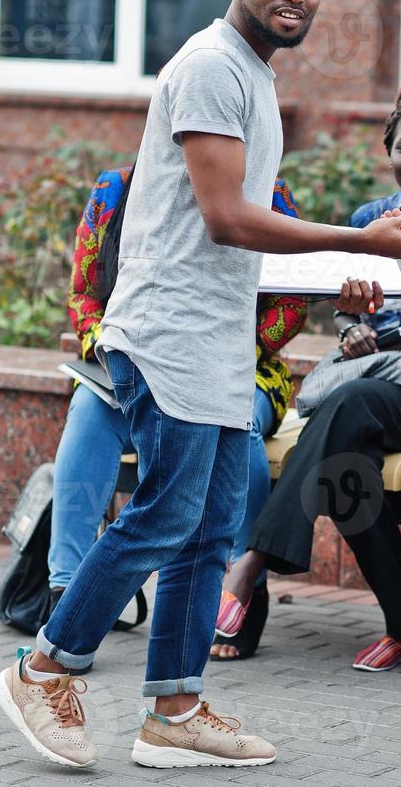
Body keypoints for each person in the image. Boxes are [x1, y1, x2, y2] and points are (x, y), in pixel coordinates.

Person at [0, 0, 401, 771]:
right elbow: (227, 220)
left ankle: (174, 708)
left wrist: (333, 277)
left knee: (213, 523)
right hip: (168, 339)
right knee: (164, 517)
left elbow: (233, 236)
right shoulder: (208, 68)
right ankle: (45, 666)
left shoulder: (253, 78)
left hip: (218, 345)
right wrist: (354, 242)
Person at [215, 75, 401, 673]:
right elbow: (344, 308)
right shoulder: (369, 221)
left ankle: (251, 564)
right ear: (389, 153)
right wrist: (351, 327)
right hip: (362, 393)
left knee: (355, 403)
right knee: (351, 481)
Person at [48, 167, 308, 648]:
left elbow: (291, 303)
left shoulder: (265, 194)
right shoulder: (115, 190)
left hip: (243, 369)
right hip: (138, 365)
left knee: (238, 422)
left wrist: (227, 346)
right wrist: (107, 345)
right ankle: (64, 589)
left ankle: (242, 586)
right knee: (88, 410)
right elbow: (82, 292)